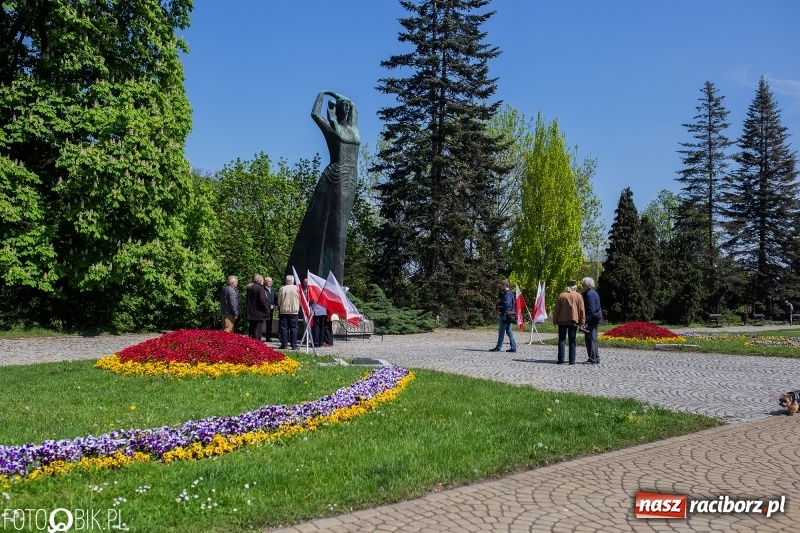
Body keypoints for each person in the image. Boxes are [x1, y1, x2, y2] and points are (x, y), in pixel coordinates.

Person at [285, 91, 360, 283]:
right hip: (335, 177)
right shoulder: (332, 128)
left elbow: (353, 105)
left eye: (346, 106)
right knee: (334, 232)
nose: (346, 107)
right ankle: (330, 282)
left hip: (351, 178)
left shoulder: (353, 129)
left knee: (339, 232)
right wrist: (321, 95)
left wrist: (332, 93)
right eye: (343, 106)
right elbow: (315, 114)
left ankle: (332, 284)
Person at [552, 281, 586, 365]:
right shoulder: (579, 296)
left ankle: (561, 359)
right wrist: (582, 321)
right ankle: (572, 360)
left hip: (562, 320)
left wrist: (555, 320)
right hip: (573, 321)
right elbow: (582, 310)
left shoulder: (562, 295)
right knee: (572, 341)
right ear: (574, 288)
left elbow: (557, 310)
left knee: (562, 340)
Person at [490, 280, 517, 353]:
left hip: (505, 315)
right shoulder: (510, 293)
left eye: (501, 285)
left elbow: (507, 305)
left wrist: (500, 310)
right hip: (509, 314)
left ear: (505, 285)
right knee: (509, 331)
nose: (500, 287)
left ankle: (498, 347)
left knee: (502, 332)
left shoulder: (507, 294)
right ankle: (514, 347)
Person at [581, 277, 603, 364]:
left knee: (590, 339)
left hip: (592, 320)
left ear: (587, 284)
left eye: (583, 284)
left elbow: (591, 309)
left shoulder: (589, 294)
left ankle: (592, 358)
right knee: (593, 339)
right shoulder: (594, 292)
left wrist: (587, 321)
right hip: (595, 319)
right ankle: (596, 357)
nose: (582, 286)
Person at [277, 274, 300, 350]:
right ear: (293, 281)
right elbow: (300, 300)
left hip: (284, 311)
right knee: (294, 328)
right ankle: (294, 345)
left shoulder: (282, 289)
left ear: (286, 280)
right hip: (294, 311)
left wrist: (281, 306)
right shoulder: (297, 288)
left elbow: (279, 301)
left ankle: (284, 345)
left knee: (284, 328)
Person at [246, 274, 269, 341]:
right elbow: (262, 301)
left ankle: (252, 342)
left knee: (252, 328)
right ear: (259, 281)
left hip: (251, 312)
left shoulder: (250, 288)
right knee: (258, 329)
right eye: (262, 280)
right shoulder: (260, 288)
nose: (263, 282)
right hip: (258, 313)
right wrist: (266, 309)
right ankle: (257, 343)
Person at [263, 276, 276, 341]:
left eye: (271, 281)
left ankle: (268, 337)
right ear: (265, 282)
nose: (270, 283)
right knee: (261, 323)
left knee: (269, 324)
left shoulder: (273, 289)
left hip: (271, 310)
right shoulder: (262, 289)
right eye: (269, 281)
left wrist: (274, 305)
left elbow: (275, 299)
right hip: (263, 309)